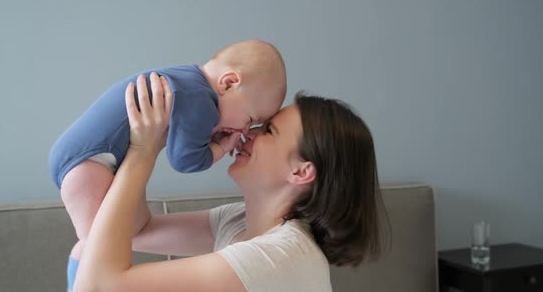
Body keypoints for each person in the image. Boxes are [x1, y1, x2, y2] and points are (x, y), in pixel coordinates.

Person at [73, 75, 389, 292]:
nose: (247, 133)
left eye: (268, 132)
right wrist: (154, 141)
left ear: (301, 172)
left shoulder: (281, 256)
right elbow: (137, 232)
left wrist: (140, 154)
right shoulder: (239, 221)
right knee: (84, 249)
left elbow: (99, 287)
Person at [48, 40, 287, 291]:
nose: (245, 130)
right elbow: (184, 160)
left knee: (115, 237)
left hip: (86, 158)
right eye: (250, 119)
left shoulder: (188, 81)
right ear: (228, 83)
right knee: (96, 250)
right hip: (90, 162)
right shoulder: (202, 103)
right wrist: (219, 148)